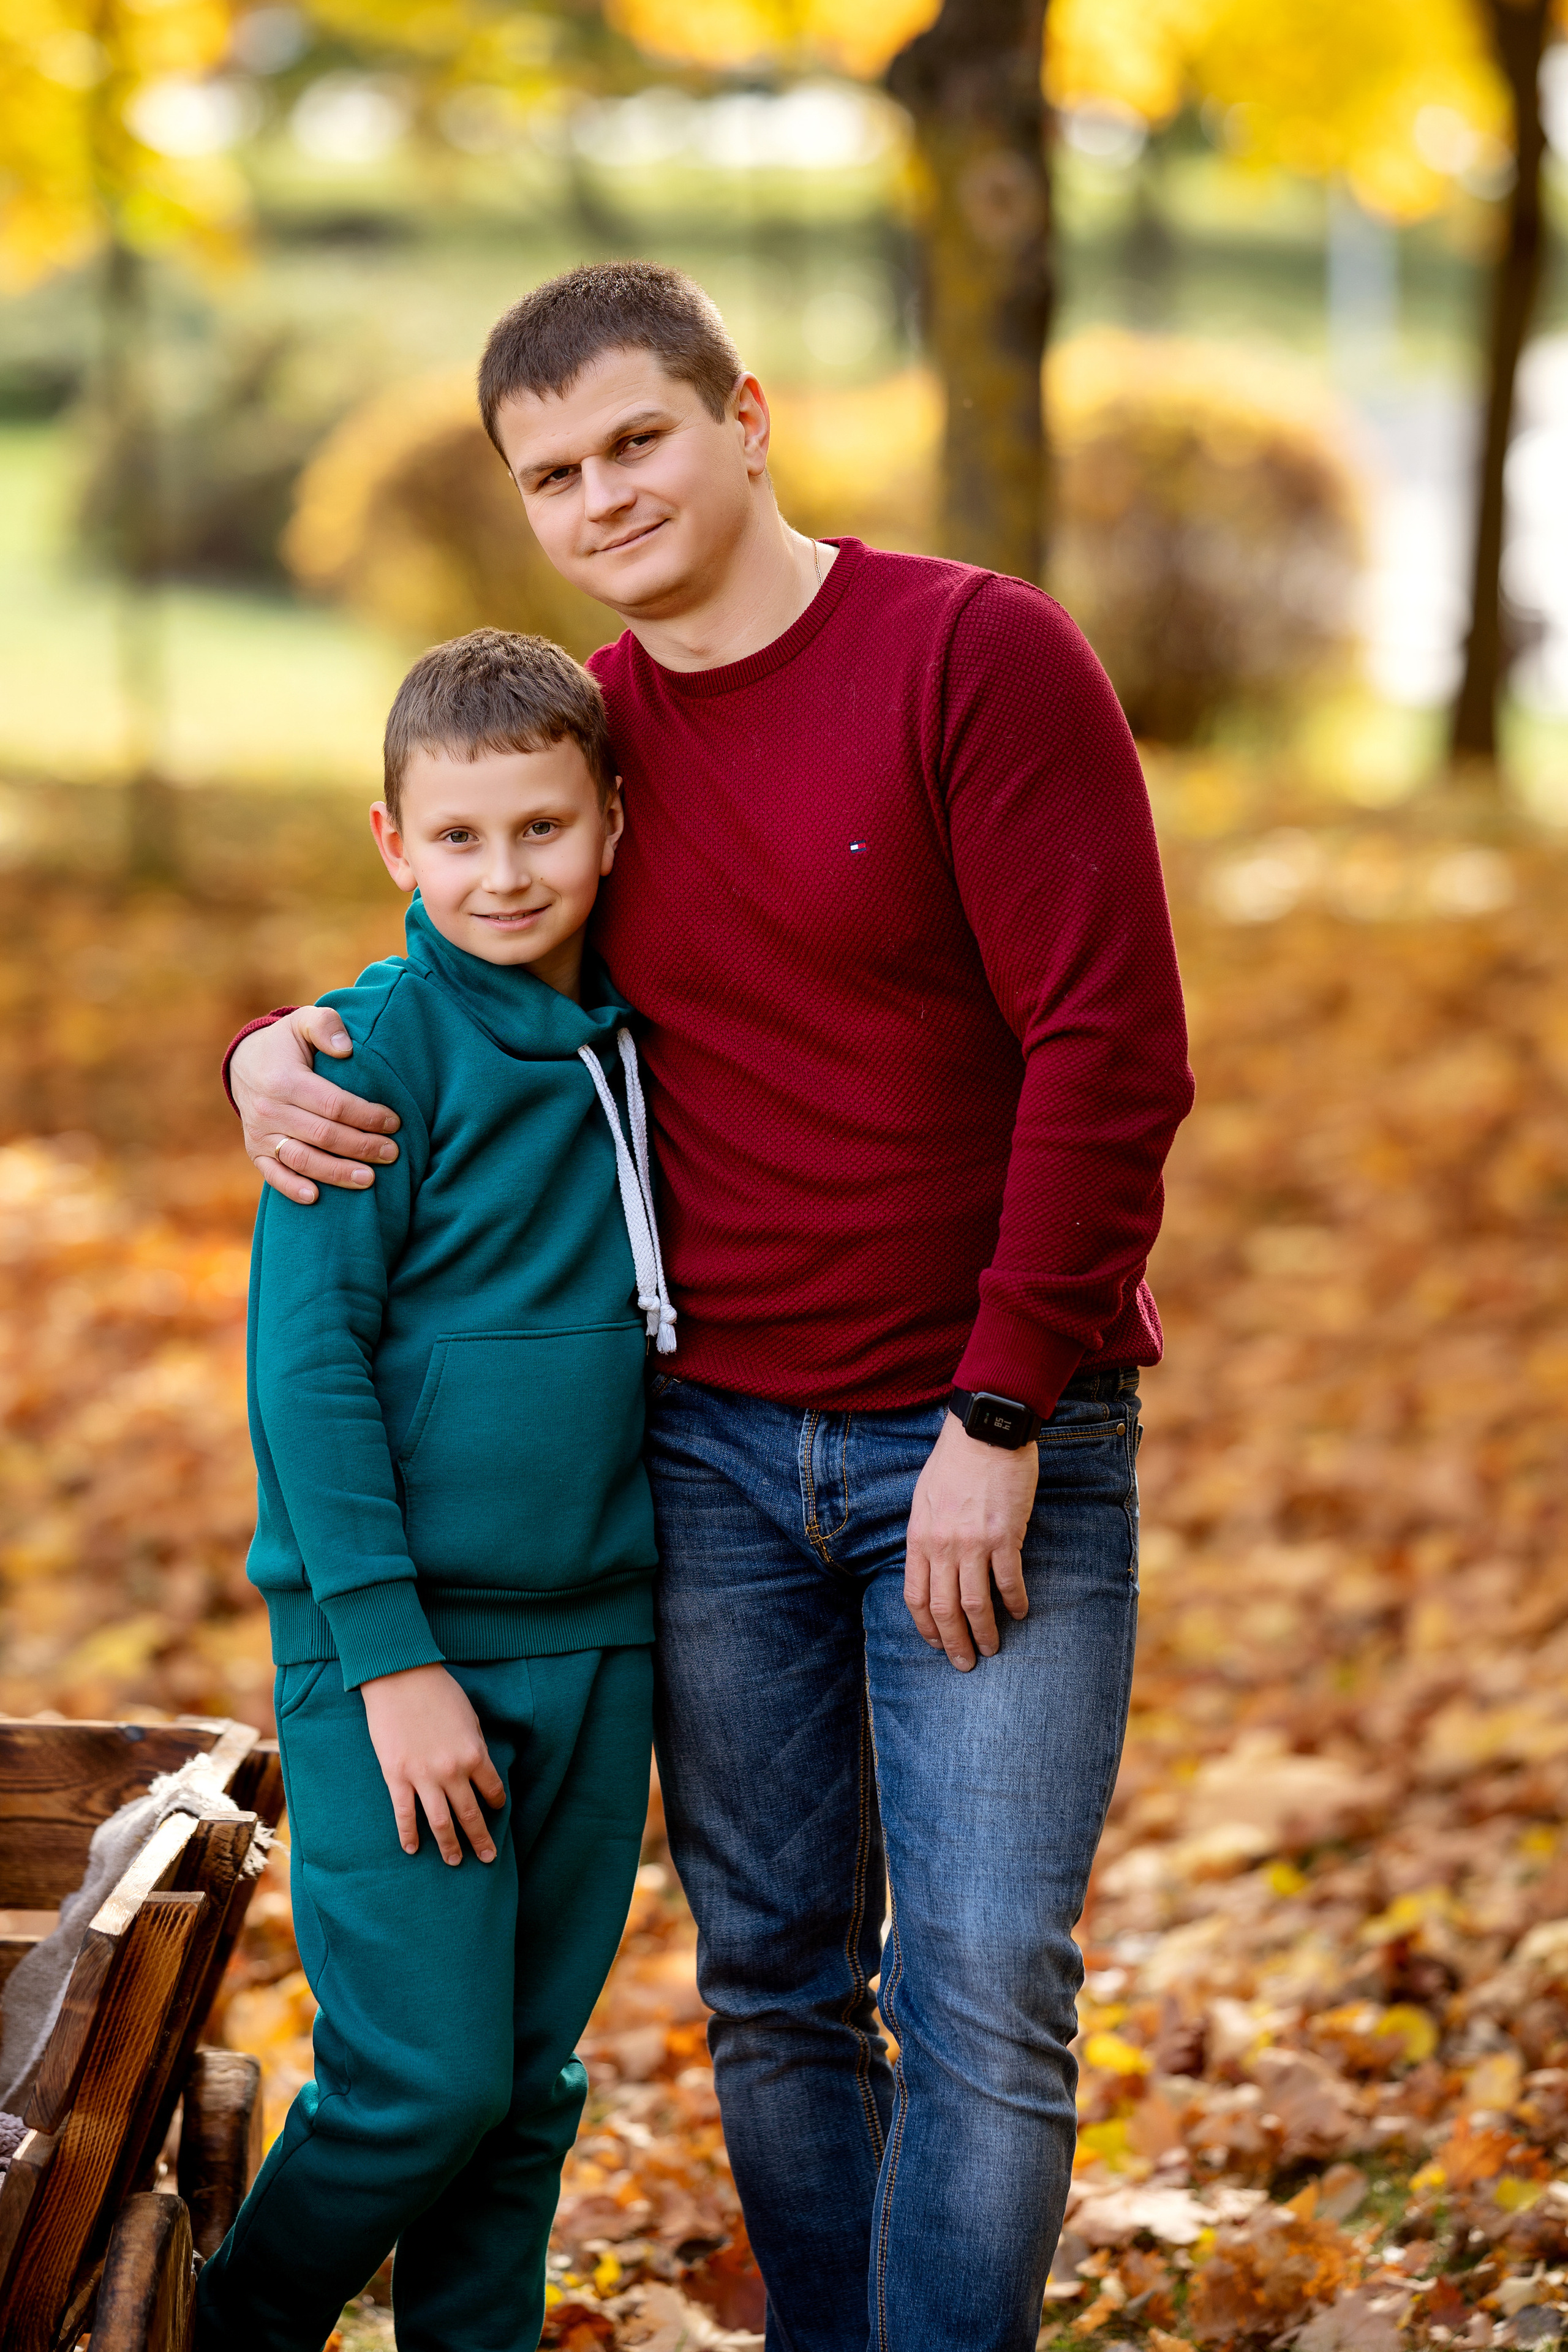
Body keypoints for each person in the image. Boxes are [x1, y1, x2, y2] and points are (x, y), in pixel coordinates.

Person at [227, 262, 1194, 2352]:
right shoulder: (593, 740)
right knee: (770, 1981)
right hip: (714, 1460)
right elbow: (464, 965)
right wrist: (267, 1048)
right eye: (553, 473)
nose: (602, 495)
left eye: (637, 438)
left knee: (988, 1988)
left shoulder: (973, 654)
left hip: (990, 1438)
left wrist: (1004, 1416)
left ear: (746, 415)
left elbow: (1111, 1052)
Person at [198, 628, 676, 2352]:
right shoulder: (362, 1064)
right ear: (394, 841)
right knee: (417, 2087)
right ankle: (221, 2331)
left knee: (521, 2094)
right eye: (460, 839)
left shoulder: (642, 1042)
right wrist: (395, 1666)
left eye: (541, 830)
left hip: (597, 1640)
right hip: (393, 1658)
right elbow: (306, 1378)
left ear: (612, 822)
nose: (503, 874)